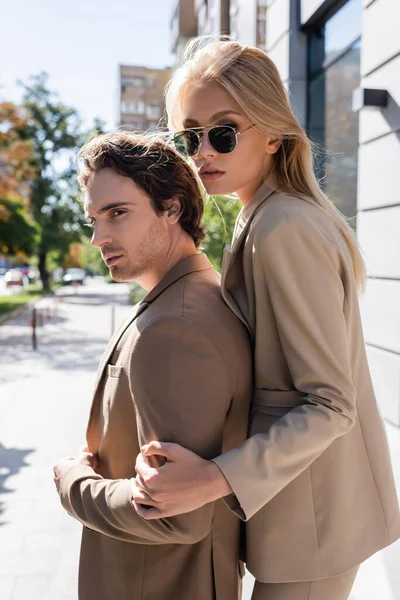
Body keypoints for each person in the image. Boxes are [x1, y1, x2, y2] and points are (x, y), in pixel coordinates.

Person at [132, 39, 400, 600]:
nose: (204, 150)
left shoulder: (284, 228)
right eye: (190, 136)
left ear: (274, 133)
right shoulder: (267, 216)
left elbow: (330, 404)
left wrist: (212, 479)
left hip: (314, 530)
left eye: (224, 132)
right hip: (307, 521)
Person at [53, 132, 252, 600]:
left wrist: (73, 483)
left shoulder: (176, 326)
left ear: (173, 207)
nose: (99, 237)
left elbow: (175, 513)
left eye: (118, 213)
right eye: (94, 219)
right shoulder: (191, 297)